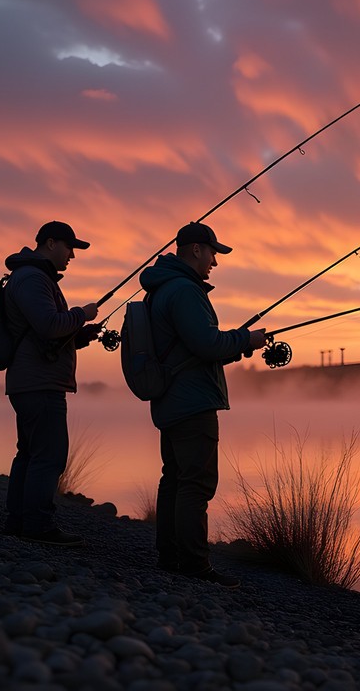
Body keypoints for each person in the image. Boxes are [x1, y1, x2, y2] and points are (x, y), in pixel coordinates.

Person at [140, 221, 266, 587]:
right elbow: (206, 345)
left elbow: (196, 347)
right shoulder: (184, 291)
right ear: (195, 249)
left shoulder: (162, 289)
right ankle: (194, 564)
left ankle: (171, 557)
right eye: (212, 252)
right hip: (191, 400)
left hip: (171, 398)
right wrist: (247, 339)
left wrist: (238, 343)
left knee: (175, 479)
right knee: (196, 482)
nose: (215, 261)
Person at [2, 221, 101, 546]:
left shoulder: (32, 277)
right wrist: (81, 314)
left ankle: (19, 522)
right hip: (39, 383)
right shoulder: (32, 278)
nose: (72, 255)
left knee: (30, 453)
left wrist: (79, 336)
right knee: (49, 455)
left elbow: (45, 334)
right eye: (69, 247)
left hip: (30, 379)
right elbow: (47, 325)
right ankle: (38, 526)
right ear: (49, 243)